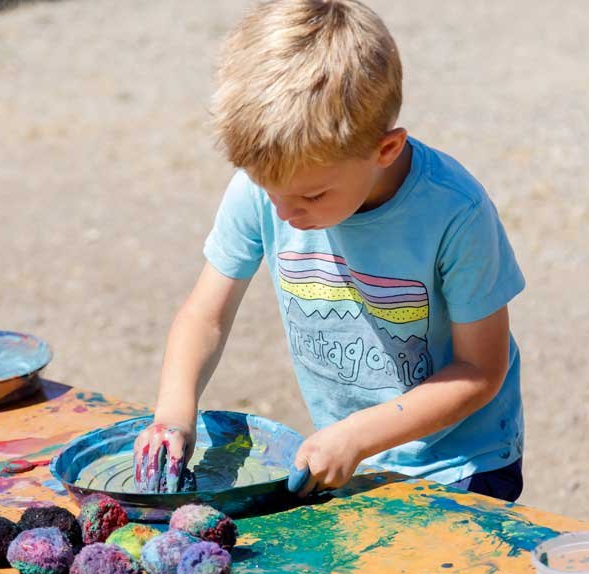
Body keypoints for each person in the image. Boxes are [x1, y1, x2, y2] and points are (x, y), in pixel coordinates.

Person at [133, 0, 526, 503]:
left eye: (312, 197)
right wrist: (173, 413)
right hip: (348, 456)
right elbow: (205, 316)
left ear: (385, 149)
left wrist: (358, 436)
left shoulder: (455, 213)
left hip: (460, 465)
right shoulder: (271, 188)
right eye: (268, 190)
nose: (283, 213)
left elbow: (480, 371)